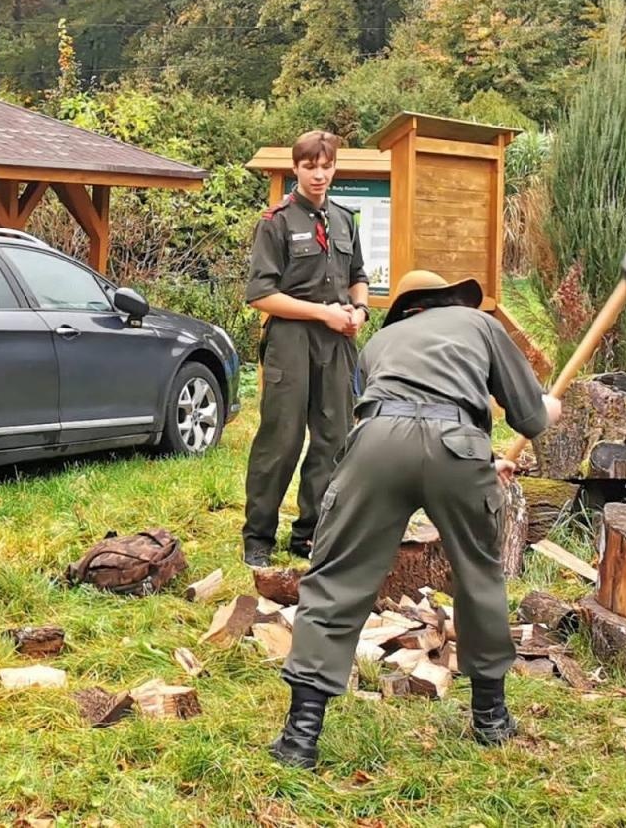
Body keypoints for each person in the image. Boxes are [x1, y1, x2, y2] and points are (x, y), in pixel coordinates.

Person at [269, 270, 563, 769]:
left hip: (377, 443)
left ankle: (300, 737)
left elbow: (403, 417)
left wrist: (479, 460)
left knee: (336, 578)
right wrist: (547, 409)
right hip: (457, 445)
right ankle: (491, 718)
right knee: (479, 577)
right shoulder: (478, 323)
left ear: (408, 309)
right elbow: (528, 419)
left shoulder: (377, 344)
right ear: (449, 300)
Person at [241, 130, 369, 566]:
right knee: (282, 439)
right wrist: (321, 313)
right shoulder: (275, 221)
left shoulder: (345, 219)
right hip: (291, 339)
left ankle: (311, 534)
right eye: (310, 166)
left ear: (335, 168)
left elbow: (358, 276)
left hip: (338, 342)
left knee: (334, 439)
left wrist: (359, 311)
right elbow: (261, 295)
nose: (319, 175)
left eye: (326, 166)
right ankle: (258, 538)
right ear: (295, 168)